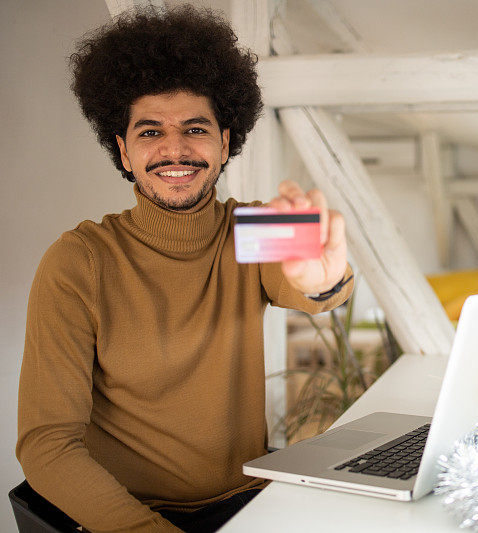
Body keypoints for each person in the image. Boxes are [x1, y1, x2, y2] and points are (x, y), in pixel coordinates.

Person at [16, 5, 353, 532]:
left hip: (250, 500)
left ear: (224, 145)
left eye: (195, 128)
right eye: (150, 132)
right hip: (132, 517)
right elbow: (46, 445)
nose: (174, 148)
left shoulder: (252, 229)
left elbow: (314, 281)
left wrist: (322, 281)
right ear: (124, 151)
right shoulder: (78, 261)